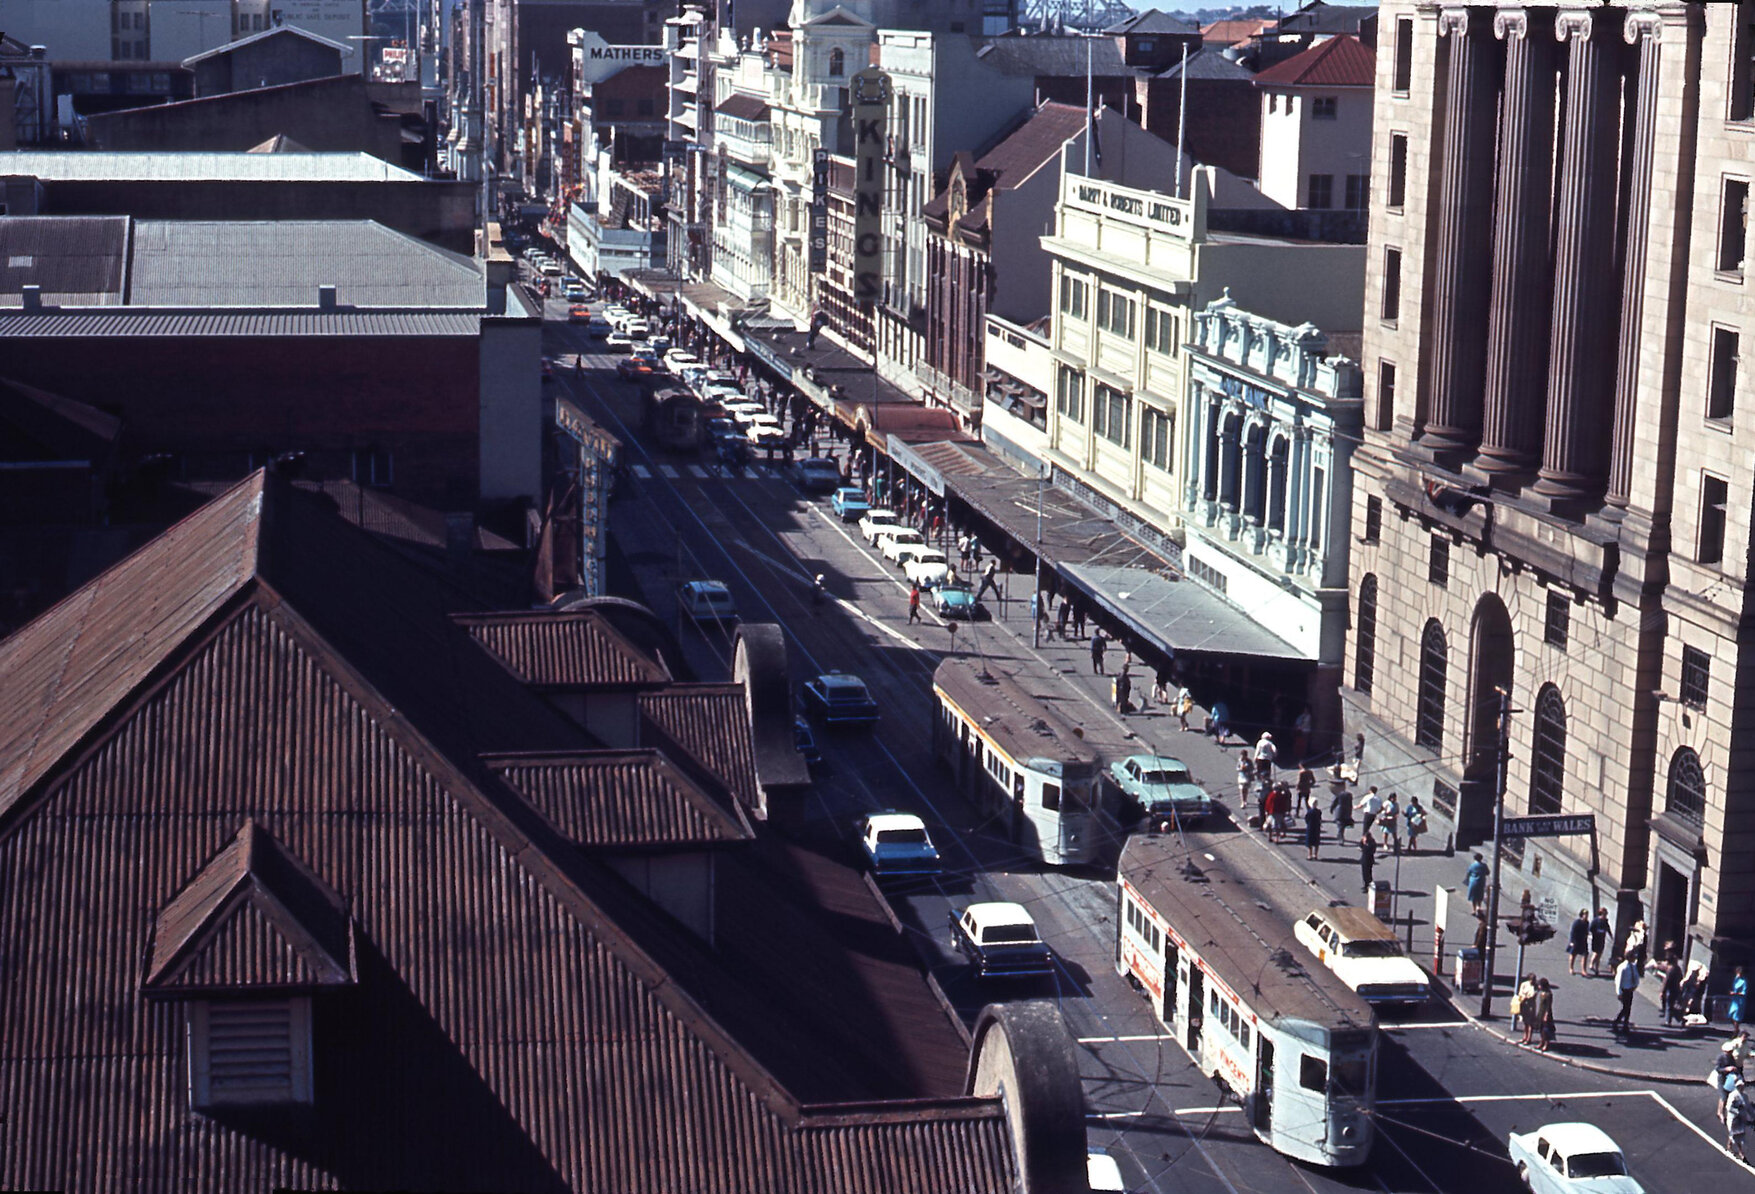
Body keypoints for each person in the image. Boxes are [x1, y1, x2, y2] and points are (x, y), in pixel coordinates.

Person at [1613, 953, 1641, 1033]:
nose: (1634, 958)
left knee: (1628, 1008)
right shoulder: (1623, 967)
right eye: (1633, 957)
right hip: (1624, 990)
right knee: (1625, 1008)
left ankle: (1625, 1024)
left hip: (1630, 989)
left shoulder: (1633, 966)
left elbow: (1636, 976)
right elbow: (1618, 980)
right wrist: (1619, 992)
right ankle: (1617, 1021)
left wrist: (1635, 985)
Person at [1727, 1077, 1752, 1163]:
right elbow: (1728, 1107)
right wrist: (1737, 1112)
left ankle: (1729, 1145)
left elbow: (1748, 1107)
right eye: (1739, 1086)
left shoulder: (1745, 1096)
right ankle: (1741, 1153)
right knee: (1736, 1135)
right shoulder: (1733, 1095)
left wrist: (1753, 1116)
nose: (1741, 1087)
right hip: (1734, 1119)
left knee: (1738, 1134)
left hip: (1741, 1119)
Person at [1660, 955, 1685, 1025]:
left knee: (1669, 1006)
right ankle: (1681, 1019)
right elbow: (1681, 978)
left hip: (1671, 989)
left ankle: (1668, 1021)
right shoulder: (1678, 969)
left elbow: (1667, 982)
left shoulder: (1670, 970)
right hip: (1677, 989)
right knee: (1673, 1006)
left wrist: (1663, 991)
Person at [1589, 907, 1612, 977]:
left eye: (1606, 914)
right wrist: (1595, 933)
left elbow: (1608, 928)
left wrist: (1611, 935)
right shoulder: (1596, 921)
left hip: (1602, 939)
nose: (1605, 916)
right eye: (1604, 914)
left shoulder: (1605, 921)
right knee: (1596, 953)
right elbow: (1591, 928)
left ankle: (1596, 969)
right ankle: (1591, 964)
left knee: (1600, 954)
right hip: (1596, 939)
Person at [1516, 974, 1538, 1045]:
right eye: (1531, 980)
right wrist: (1523, 997)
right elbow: (1520, 992)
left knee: (1530, 1023)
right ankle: (1524, 1037)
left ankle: (1529, 1039)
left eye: (1534, 980)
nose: (1532, 981)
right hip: (1524, 1005)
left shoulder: (1536, 986)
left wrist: (1526, 997)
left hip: (1531, 1005)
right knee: (1525, 1022)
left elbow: (1533, 996)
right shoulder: (1524, 984)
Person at [1534, 978, 1556, 1052]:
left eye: (1540, 985)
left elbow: (1548, 1006)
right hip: (1541, 1011)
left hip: (1546, 1013)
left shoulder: (1548, 994)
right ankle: (1541, 1042)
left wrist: (1546, 1015)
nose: (1539, 987)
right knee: (1541, 1028)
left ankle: (1546, 1044)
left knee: (1546, 1029)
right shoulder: (1541, 993)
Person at [1567, 910, 1591, 976]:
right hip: (1576, 941)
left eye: (1587, 914)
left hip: (1583, 941)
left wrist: (1587, 935)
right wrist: (1572, 941)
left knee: (1585, 955)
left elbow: (1587, 931)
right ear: (1582, 915)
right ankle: (1571, 968)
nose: (1586, 916)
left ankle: (1583, 970)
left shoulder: (1587, 922)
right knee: (1573, 954)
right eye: (1585, 914)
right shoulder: (1577, 922)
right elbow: (1572, 932)